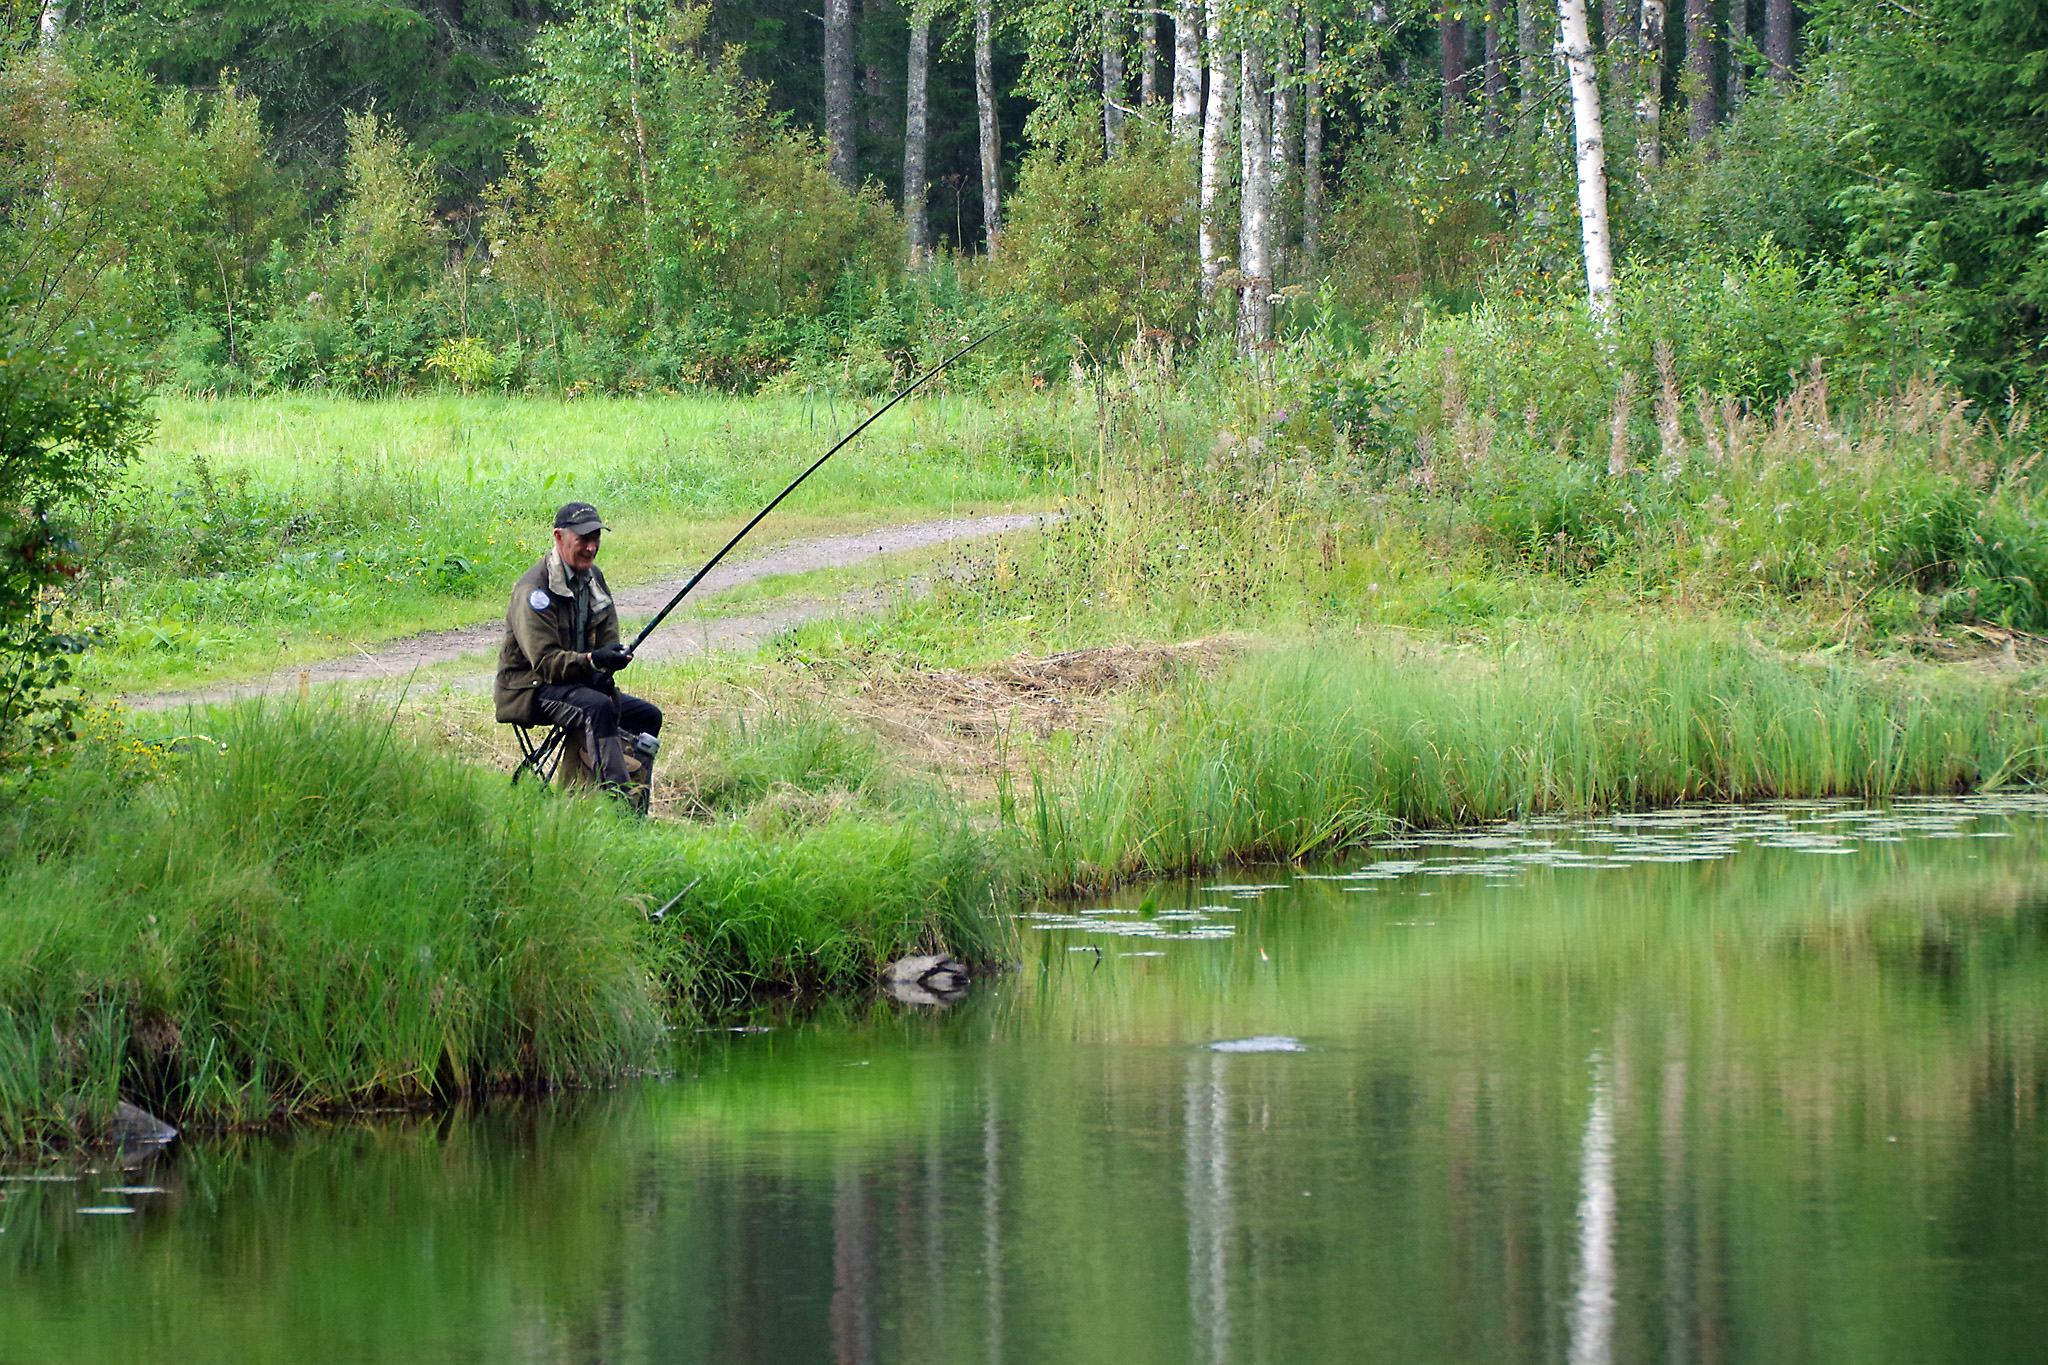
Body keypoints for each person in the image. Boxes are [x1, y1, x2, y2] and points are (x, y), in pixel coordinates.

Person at [495, 501, 663, 807]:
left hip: (576, 684)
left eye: (595, 538)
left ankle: (635, 808)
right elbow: (546, 664)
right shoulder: (534, 590)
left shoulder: (593, 578)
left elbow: (608, 638)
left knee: (648, 716)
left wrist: (610, 662)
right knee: (596, 708)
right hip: (529, 689)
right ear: (559, 538)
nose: (591, 547)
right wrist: (593, 661)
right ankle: (617, 805)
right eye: (582, 540)